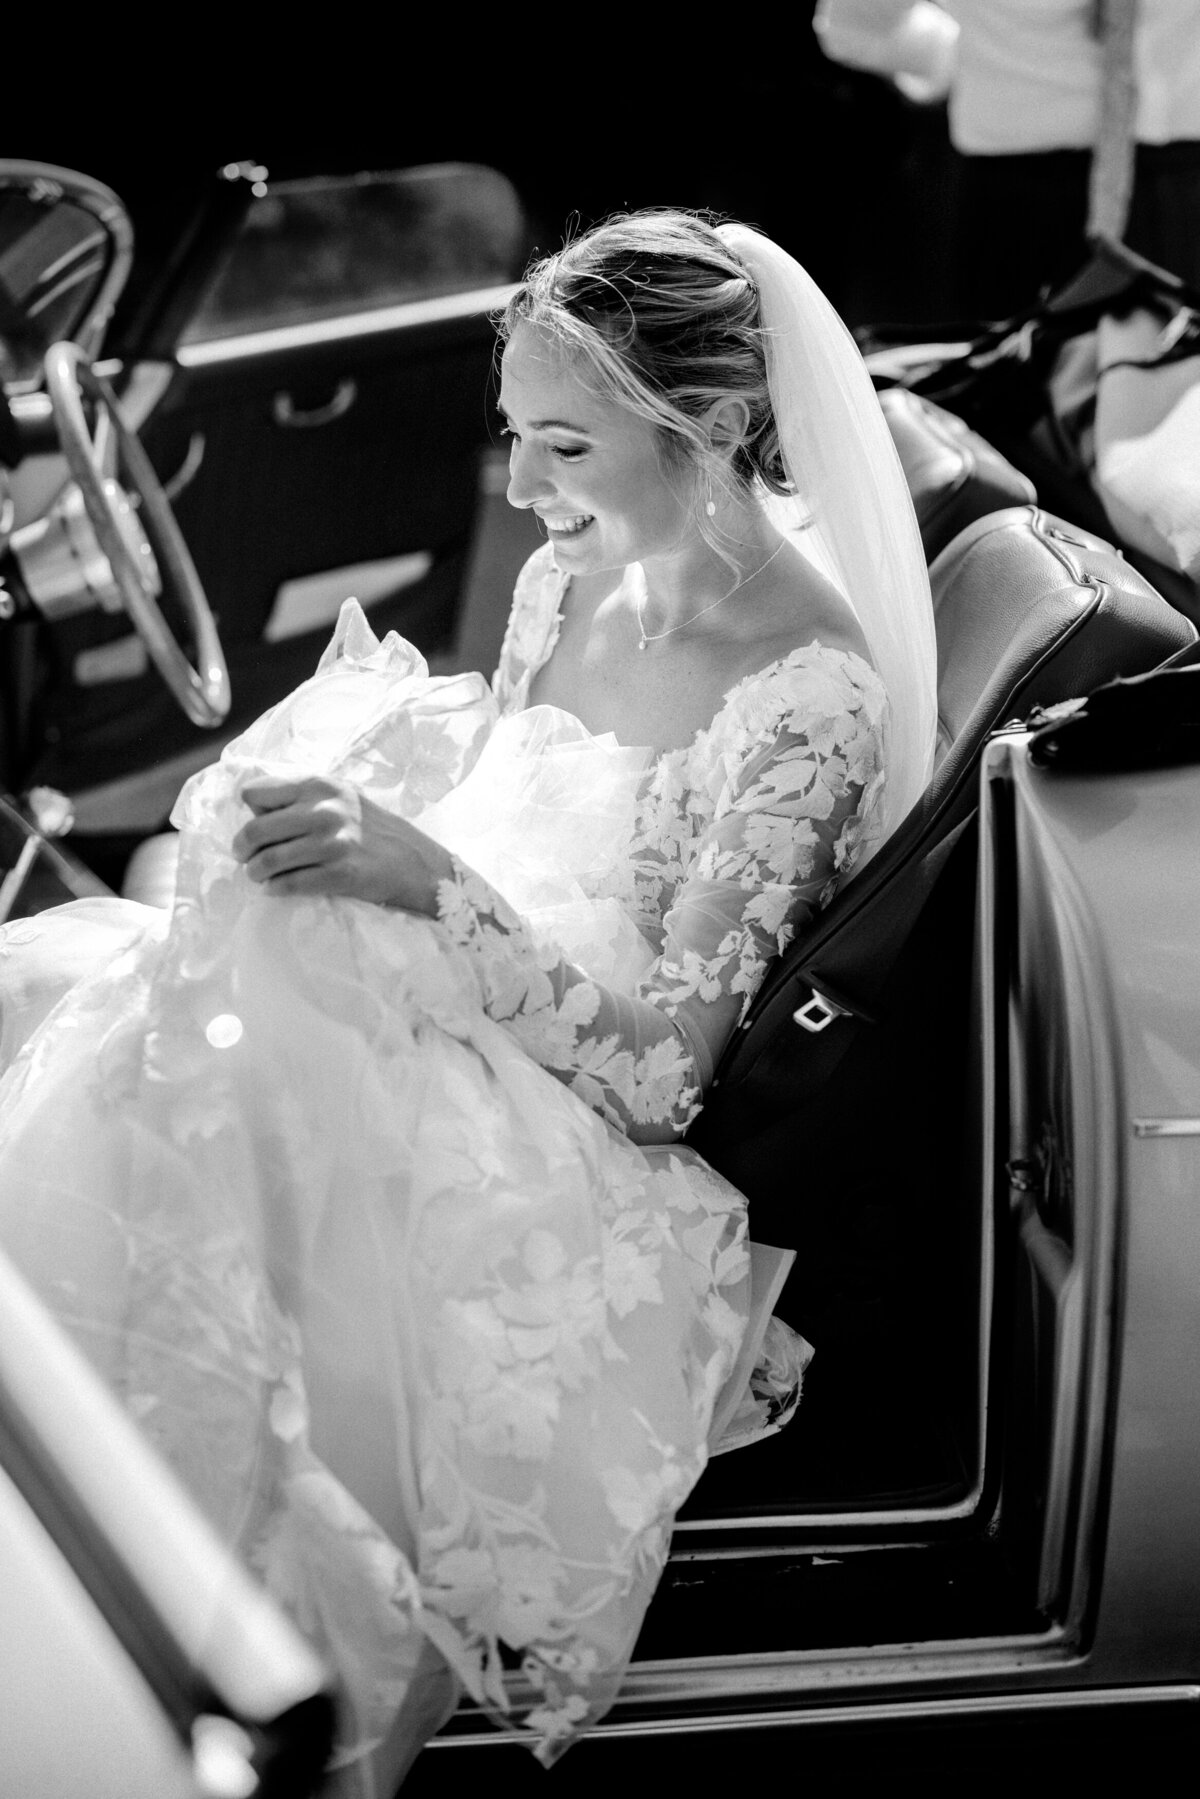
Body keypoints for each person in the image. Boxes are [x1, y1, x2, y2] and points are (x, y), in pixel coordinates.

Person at [0, 211, 937, 1794]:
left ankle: (166, 1663)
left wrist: (430, 884)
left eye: (563, 444)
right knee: (143, 999)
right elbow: (517, 791)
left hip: (570, 1128)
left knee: (202, 1064)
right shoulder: (574, 583)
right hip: (452, 1009)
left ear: (707, 428)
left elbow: (663, 1082)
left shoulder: (810, 696)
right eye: (512, 435)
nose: (518, 490)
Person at [815, 0, 1200, 315]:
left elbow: (851, 26)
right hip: (1023, 208)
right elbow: (853, 22)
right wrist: (960, 57)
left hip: (1179, 196)